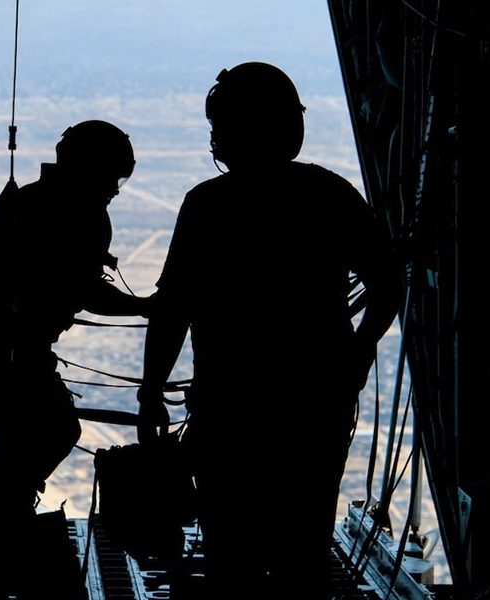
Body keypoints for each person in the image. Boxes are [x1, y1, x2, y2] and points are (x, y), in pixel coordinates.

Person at [137, 63, 402, 598]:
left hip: (229, 410)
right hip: (314, 408)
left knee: (231, 558)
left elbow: (173, 311)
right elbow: (388, 282)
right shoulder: (330, 194)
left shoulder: (208, 205)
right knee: (302, 554)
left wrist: (150, 392)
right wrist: (356, 352)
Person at [0, 119, 152, 509]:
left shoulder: (36, 202)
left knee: (33, 442)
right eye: (112, 176)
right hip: (10, 349)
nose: (114, 189)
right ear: (89, 167)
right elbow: (83, 289)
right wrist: (144, 307)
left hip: (1, 346)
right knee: (49, 435)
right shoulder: (67, 213)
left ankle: (4, 510)